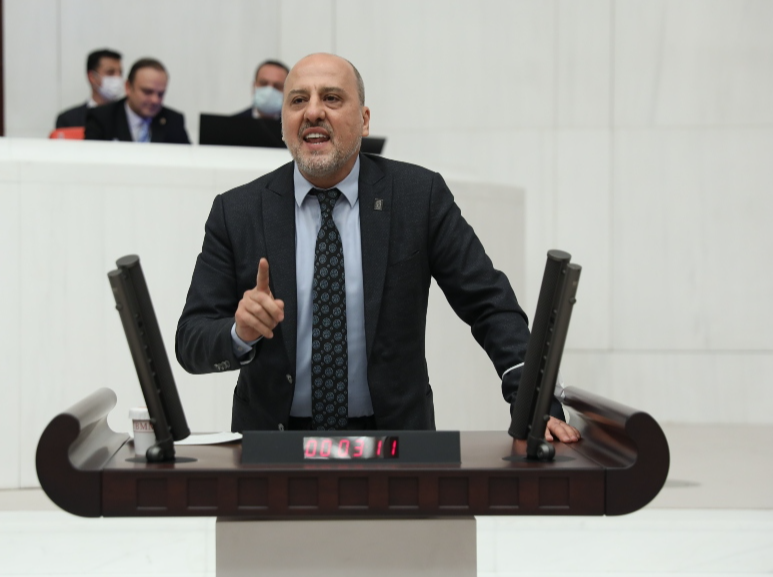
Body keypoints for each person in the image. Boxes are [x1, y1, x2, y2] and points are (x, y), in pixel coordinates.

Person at [176, 53, 579, 442]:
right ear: (284, 122)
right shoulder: (238, 211)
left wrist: (532, 404)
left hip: (395, 444)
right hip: (272, 448)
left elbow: (489, 303)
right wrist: (239, 333)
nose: (313, 111)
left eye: (331, 98)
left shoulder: (418, 197)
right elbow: (191, 340)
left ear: (364, 120)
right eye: (298, 100)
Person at [84, 57, 190, 144]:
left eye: (160, 94)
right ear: (128, 87)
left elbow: (188, 159)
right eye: (147, 92)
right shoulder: (101, 118)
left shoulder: (173, 121)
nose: (155, 100)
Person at [55, 49, 124, 128]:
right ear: (92, 77)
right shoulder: (69, 120)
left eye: (120, 73)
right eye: (110, 72)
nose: (117, 78)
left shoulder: (128, 116)